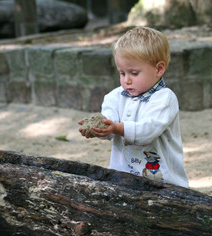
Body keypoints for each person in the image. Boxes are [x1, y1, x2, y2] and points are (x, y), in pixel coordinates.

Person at [78, 27, 189, 188]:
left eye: (134, 73)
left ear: (159, 69)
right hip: (123, 178)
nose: (126, 80)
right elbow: (109, 126)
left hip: (164, 182)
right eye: (122, 73)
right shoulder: (114, 97)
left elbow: (148, 131)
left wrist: (116, 128)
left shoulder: (164, 98)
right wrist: (99, 129)